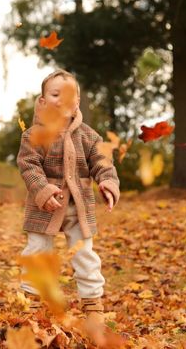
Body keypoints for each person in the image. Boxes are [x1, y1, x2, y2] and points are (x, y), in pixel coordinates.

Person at [17, 69, 120, 327]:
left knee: (84, 253)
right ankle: (30, 301)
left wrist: (107, 182)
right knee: (38, 251)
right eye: (54, 94)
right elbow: (28, 165)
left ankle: (93, 304)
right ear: (42, 102)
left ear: (77, 101)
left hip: (79, 207)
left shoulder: (88, 135)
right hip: (45, 207)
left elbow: (102, 161)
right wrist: (43, 189)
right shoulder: (33, 135)